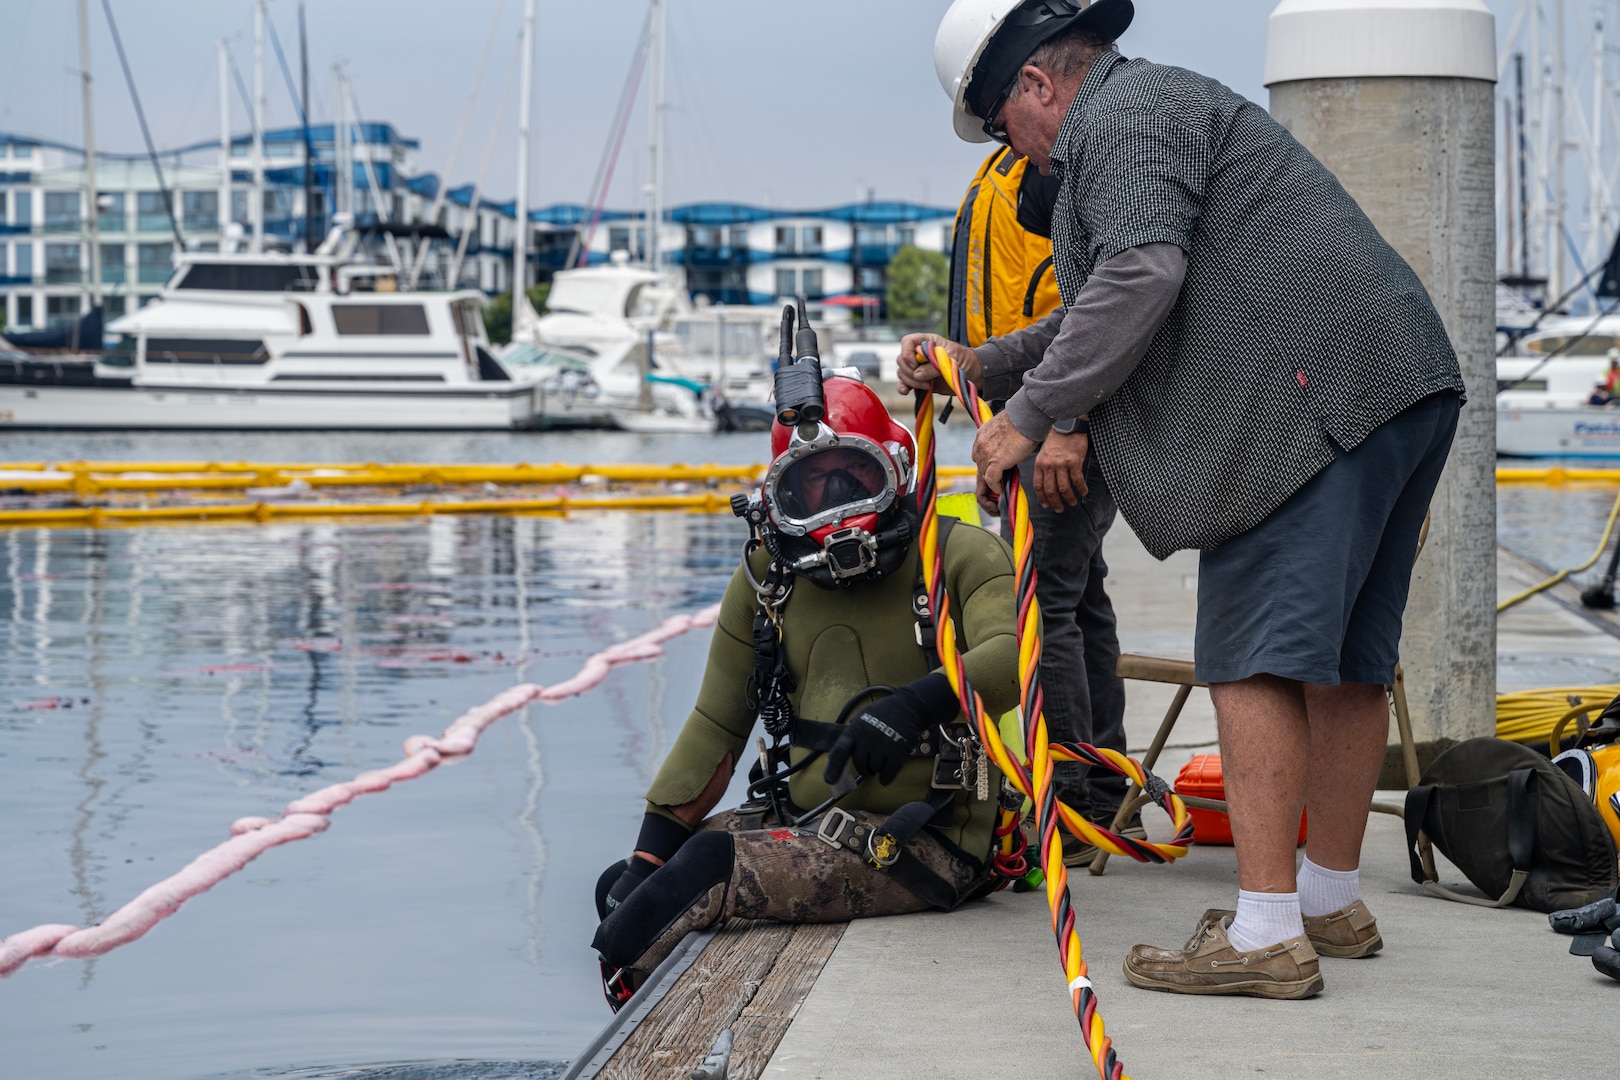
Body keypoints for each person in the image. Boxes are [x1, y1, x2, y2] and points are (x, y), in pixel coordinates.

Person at [900, 0, 1465, 1000]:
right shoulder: (1153, 116)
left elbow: (1139, 279)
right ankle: (1325, 900)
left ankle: (1263, 936)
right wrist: (977, 365)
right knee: (1345, 666)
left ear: (1036, 85)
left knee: (1250, 657)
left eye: (999, 130)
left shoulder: (1118, 115)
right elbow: (1098, 308)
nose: (1008, 152)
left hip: (1306, 408)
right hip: (1393, 382)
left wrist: (1027, 418)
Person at [590, 367, 1023, 1010]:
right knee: (623, 886)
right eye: (810, 486)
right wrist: (645, 861)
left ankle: (641, 1018)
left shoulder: (957, 555)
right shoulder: (769, 577)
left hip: (931, 840)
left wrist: (919, 703)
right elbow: (717, 722)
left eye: (855, 474)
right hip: (807, 816)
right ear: (779, 500)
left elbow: (1016, 657)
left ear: (894, 466)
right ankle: (634, 1026)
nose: (836, 500)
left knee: (704, 869)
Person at [946, 142, 1135, 864]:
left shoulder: (1085, 177)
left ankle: (1078, 808)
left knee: (1046, 605)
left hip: (1064, 428)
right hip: (1037, 419)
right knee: (1078, 598)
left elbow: (1101, 325)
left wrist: (1066, 425)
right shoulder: (1021, 174)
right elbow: (1070, 323)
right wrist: (976, 362)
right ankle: (1105, 799)